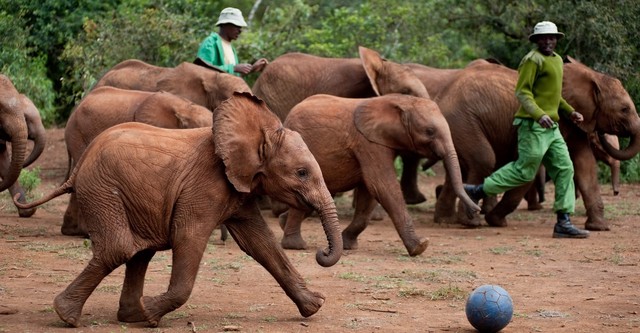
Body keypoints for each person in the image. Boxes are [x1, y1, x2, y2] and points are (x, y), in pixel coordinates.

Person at [463, 21, 589, 238]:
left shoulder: (558, 60)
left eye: (551, 37)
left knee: (565, 168)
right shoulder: (532, 60)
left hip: (552, 127)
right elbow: (523, 93)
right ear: (536, 40)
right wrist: (539, 115)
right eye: (543, 38)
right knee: (524, 171)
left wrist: (570, 112)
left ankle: (563, 221)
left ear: (557, 39)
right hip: (533, 126)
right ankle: (477, 191)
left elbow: (553, 95)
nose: (548, 41)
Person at [195, 7, 268, 76]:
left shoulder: (231, 48)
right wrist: (233, 68)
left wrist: (251, 68)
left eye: (240, 27)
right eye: (237, 26)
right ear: (224, 24)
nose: (240, 31)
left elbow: (232, 77)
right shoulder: (210, 42)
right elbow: (202, 71)